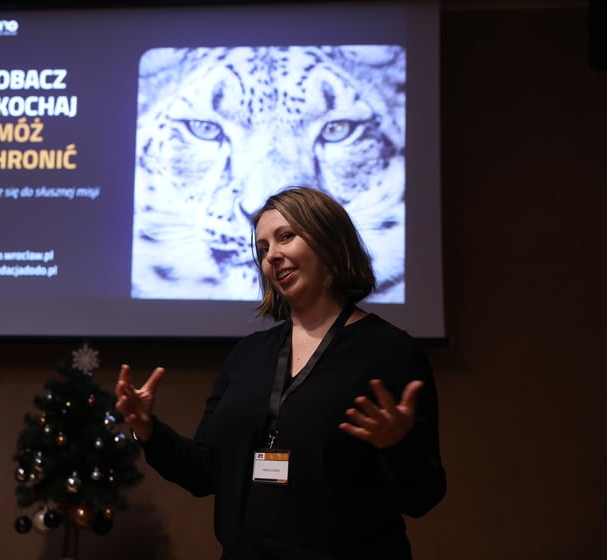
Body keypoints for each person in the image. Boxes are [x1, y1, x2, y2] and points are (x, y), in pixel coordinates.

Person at [115, 186, 446, 560]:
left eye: (286, 236)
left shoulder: (390, 352)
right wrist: (147, 429)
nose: (271, 255)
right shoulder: (249, 354)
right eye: (262, 248)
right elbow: (204, 472)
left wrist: (397, 444)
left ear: (329, 241)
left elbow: (424, 496)